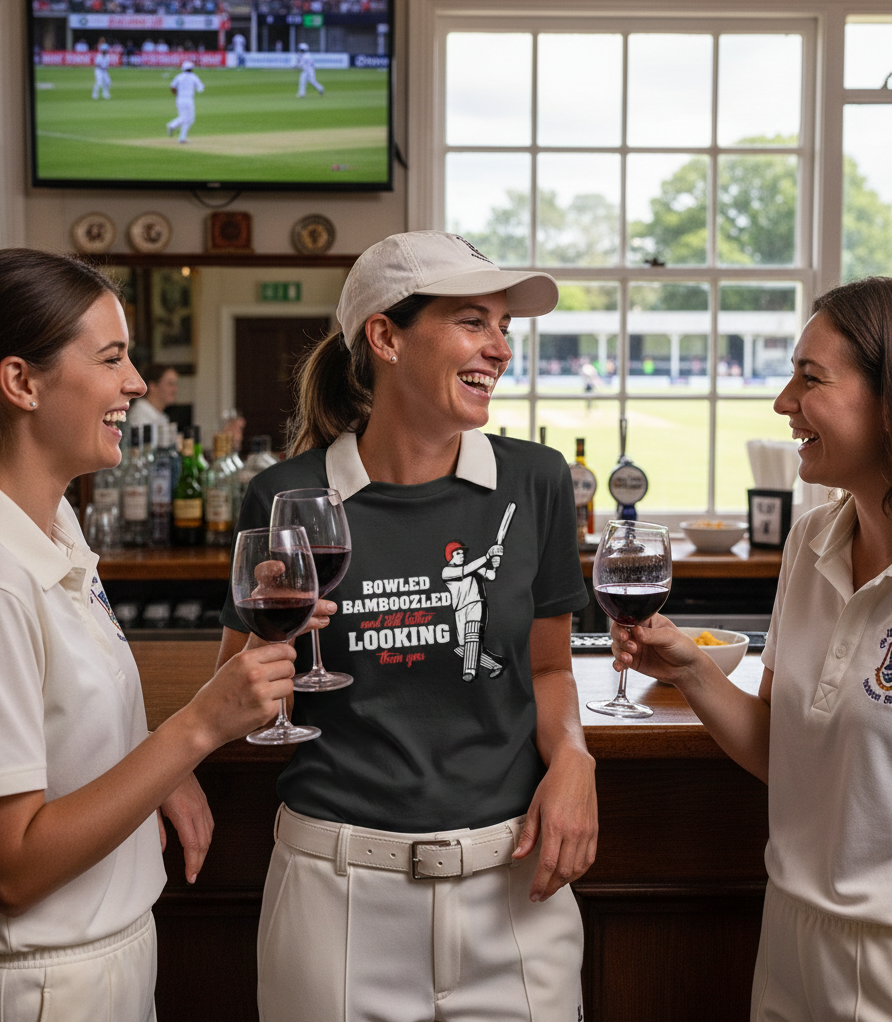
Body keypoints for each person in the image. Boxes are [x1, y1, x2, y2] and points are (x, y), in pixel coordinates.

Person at [217, 231, 598, 1022]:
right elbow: (237, 699)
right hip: (337, 895)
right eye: (472, 322)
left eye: (503, 327)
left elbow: (552, 669)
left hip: (514, 891)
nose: (498, 349)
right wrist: (273, 645)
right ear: (385, 337)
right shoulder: (287, 497)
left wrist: (573, 758)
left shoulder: (536, 480)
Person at [0, 249, 299, 1022]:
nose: (136, 382)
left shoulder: (56, 521)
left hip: (110, 954)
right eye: (111, 358)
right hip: (46, 982)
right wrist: (196, 729)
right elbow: (16, 867)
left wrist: (152, 771)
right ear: (21, 382)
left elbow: (68, 725)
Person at [610, 276, 892, 1022]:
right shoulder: (810, 540)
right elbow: (785, 752)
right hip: (792, 935)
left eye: (811, 378)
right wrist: (693, 671)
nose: (782, 403)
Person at [127, 363, 178, 430]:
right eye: (170, 384)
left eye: (175, 384)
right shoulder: (139, 417)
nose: (175, 390)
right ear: (152, 386)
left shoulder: (162, 417)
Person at [166, 61, 204, 143]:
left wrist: (176, 94)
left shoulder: (179, 77)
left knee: (186, 118)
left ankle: (182, 138)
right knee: (189, 119)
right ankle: (172, 125)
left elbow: (172, 86)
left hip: (179, 99)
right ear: (191, 69)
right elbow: (201, 88)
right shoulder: (194, 77)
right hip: (188, 100)